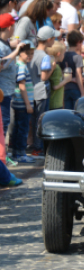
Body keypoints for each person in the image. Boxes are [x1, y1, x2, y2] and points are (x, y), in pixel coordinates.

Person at [29, 26, 60, 158]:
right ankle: (38, 148)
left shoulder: (32, 53)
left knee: (33, 120)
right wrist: (52, 68)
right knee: (40, 120)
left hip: (31, 91)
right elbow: (44, 77)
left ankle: (33, 146)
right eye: (54, 38)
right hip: (41, 92)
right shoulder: (45, 57)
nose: (55, 40)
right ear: (48, 40)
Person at [0, 14, 27, 165]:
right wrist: (16, 51)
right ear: (10, 27)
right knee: (2, 126)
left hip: (7, 91)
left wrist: (12, 45)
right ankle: (1, 159)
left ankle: (3, 156)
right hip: (2, 93)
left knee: (4, 124)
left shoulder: (4, 44)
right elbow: (1, 65)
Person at [10, 41, 35, 163]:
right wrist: (28, 104)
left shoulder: (19, 65)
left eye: (31, 53)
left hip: (19, 103)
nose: (30, 56)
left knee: (18, 128)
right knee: (23, 129)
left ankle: (16, 152)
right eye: (27, 53)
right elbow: (22, 86)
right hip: (22, 104)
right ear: (20, 53)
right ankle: (20, 153)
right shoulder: (21, 66)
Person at [59, 30, 84, 109]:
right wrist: (83, 93)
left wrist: (69, 80)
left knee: (68, 113)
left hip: (65, 89)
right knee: (78, 112)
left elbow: (61, 73)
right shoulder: (78, 57)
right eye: (81, 43)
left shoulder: (63, 56)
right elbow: (78, 75)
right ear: (78, 42)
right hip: (76, 89)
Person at [47, 41, 71, 110]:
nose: (64, 56)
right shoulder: (56, 68)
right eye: (63, 54)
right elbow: (55, 86)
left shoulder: (51, 63)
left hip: (52, 102)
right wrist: (66, 80)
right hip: (55, 103)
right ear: (58, 54)